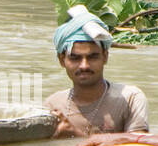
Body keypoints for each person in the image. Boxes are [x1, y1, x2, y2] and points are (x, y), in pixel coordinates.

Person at [45, 7, 150, 138]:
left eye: (93, 57)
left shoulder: (130, 98)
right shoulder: (53, 105)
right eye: (75, 58)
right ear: (62, 60)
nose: (84, 66)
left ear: (105, 57)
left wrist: (75, 135)